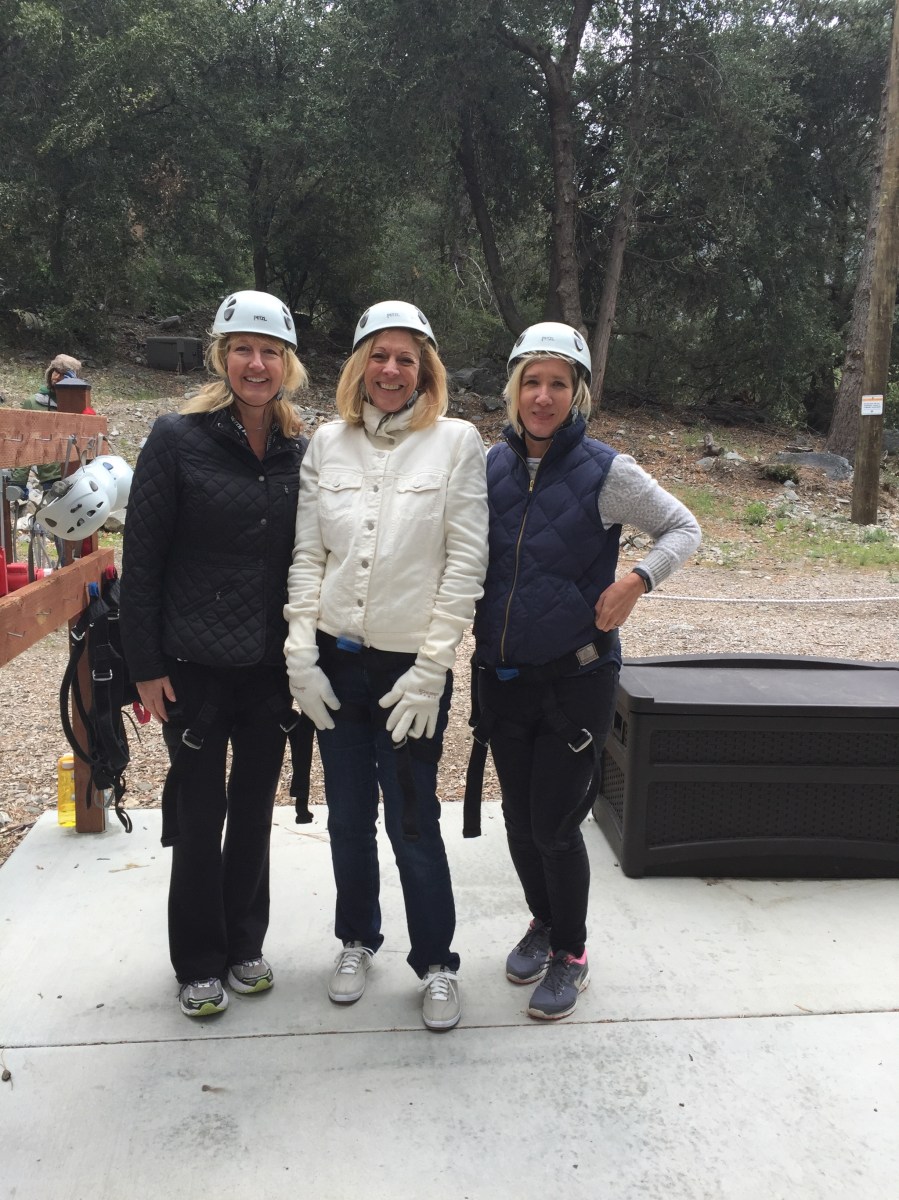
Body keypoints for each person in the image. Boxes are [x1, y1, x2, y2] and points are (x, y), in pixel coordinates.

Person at [468, 322, 701, 1021]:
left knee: (555, 824)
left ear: (578, 394)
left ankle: (571, 952)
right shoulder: (488, 466)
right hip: (502, 676)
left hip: (576, 679)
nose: (542, 397)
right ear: (514, 390)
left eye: (558, 384)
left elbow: (683, 528)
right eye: (531, 383)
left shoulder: (606, 471)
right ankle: (542, 922)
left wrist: (637, 579)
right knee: (518, 819)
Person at [285, 300, 488, 1031]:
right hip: (336, 665)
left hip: (409, 672)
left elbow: (465, 562)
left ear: (425, 369)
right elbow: (309, 555)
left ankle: (435, 962)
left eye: (406, 358)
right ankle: (356, 938)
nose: (391, 370)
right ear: (360, 365)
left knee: (412, 820)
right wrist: (299, 653)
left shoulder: (456, 443)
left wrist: (433, 669)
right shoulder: (327, 444)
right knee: (346, 816)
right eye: (379, 355)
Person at [119, 290, 308, 1018]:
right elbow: (143, 560)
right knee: (201, 813)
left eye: (269, 353)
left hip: (268, 670)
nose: (256, 364)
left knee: (255, 809)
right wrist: (145, 665)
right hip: (192, 668)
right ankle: (198, 959)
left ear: (287, 364)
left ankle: (243, 943)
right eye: (243, 350)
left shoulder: (300, 449)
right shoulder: (176, 438)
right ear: (221, 357)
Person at [8, 354, 93, 498]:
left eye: (63, 373)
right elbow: (24, 442)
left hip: (79, 471)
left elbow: (90, 438)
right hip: (51, 474)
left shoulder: (80, 402)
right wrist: (18, 481)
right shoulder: (34, 403)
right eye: (55, 371)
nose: (57, 377)